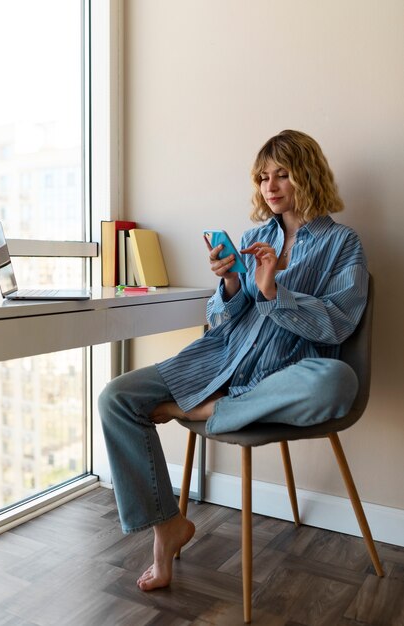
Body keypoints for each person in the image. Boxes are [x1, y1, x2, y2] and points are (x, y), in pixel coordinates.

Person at [98, 129, 368, 592]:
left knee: (339, 382)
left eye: (283, 175)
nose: (271, 187)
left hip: (285, 374)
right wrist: (227, 286)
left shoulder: (343, 244)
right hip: (221, 360)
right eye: (264, 177)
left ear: (310, 175)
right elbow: (221, 321)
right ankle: (168, 527)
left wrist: (275, 292)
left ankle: (202, 409)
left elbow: (339, 324)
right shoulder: (253, 236)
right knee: (115, 398)